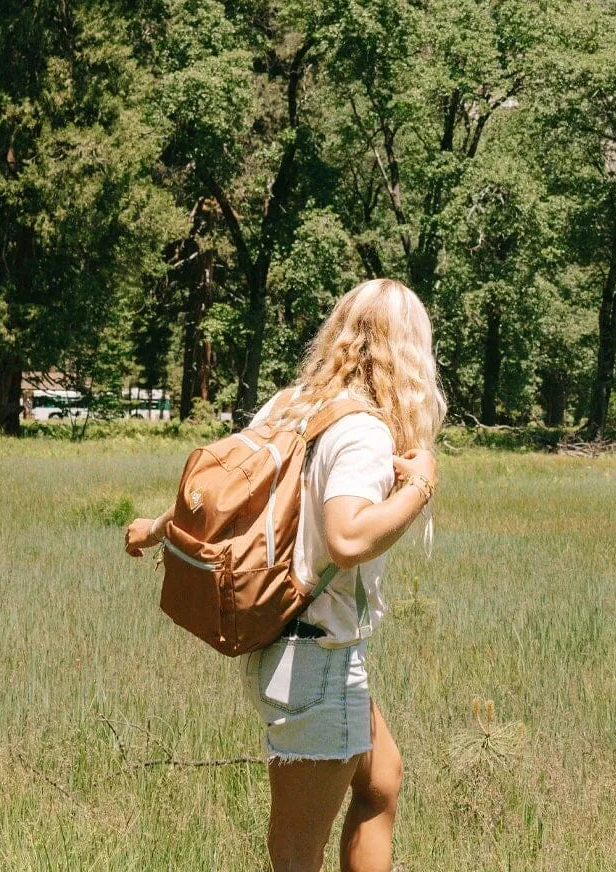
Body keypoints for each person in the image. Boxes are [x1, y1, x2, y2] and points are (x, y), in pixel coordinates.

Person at [125, 278, 443, 872]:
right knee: (296, 856)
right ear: (411, 354)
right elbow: (347, 538)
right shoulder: (364, 432)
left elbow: (233, 496)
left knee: (382, 780)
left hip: (292, 653)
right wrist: (421, 485)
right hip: (316, 664)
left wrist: (160, 527)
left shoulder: (292, 407)